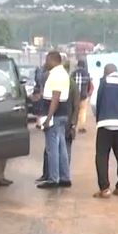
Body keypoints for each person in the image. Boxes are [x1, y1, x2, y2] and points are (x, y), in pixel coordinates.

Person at [91, 63, 118, 198]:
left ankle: (105, 188)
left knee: (102, 155)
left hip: (105, 123)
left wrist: (98, 115)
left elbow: (93, 103)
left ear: (105, 72)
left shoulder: (102, 83)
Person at [37, 51, 72, 190]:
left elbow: (55, 97)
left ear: (53, 60)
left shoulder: (56, 75)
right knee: (61, 147)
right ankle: (64, 177)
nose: (45, 63)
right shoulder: (63, 73)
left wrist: (48, 118)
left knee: (52, 148)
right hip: (62, 114)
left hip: (55, 115)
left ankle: (53, 178)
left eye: (47, 60)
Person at [72, 59, 92, 134]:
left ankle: (73, 126)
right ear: (84, 65)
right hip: (83, 95)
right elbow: (89, 84)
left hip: (74, 96)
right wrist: (87, 92)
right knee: (82, 111)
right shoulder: (86, 74)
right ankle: (81, 127)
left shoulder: (73, 73)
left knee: (74, 111)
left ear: (78, 65)